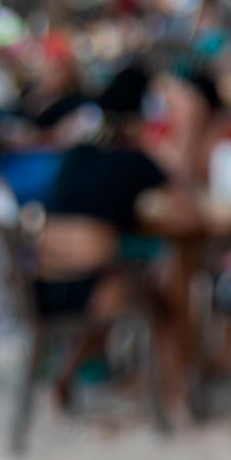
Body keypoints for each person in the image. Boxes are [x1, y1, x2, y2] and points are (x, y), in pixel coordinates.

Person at [33, 64, 200, 408]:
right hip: (97, 294)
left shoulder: (76, 156)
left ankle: (87, 373)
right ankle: (174, 391)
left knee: (131, 280)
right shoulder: (135, 161)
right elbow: (189, 208)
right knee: (161, 298)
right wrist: (184, 130)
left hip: (44, 287)